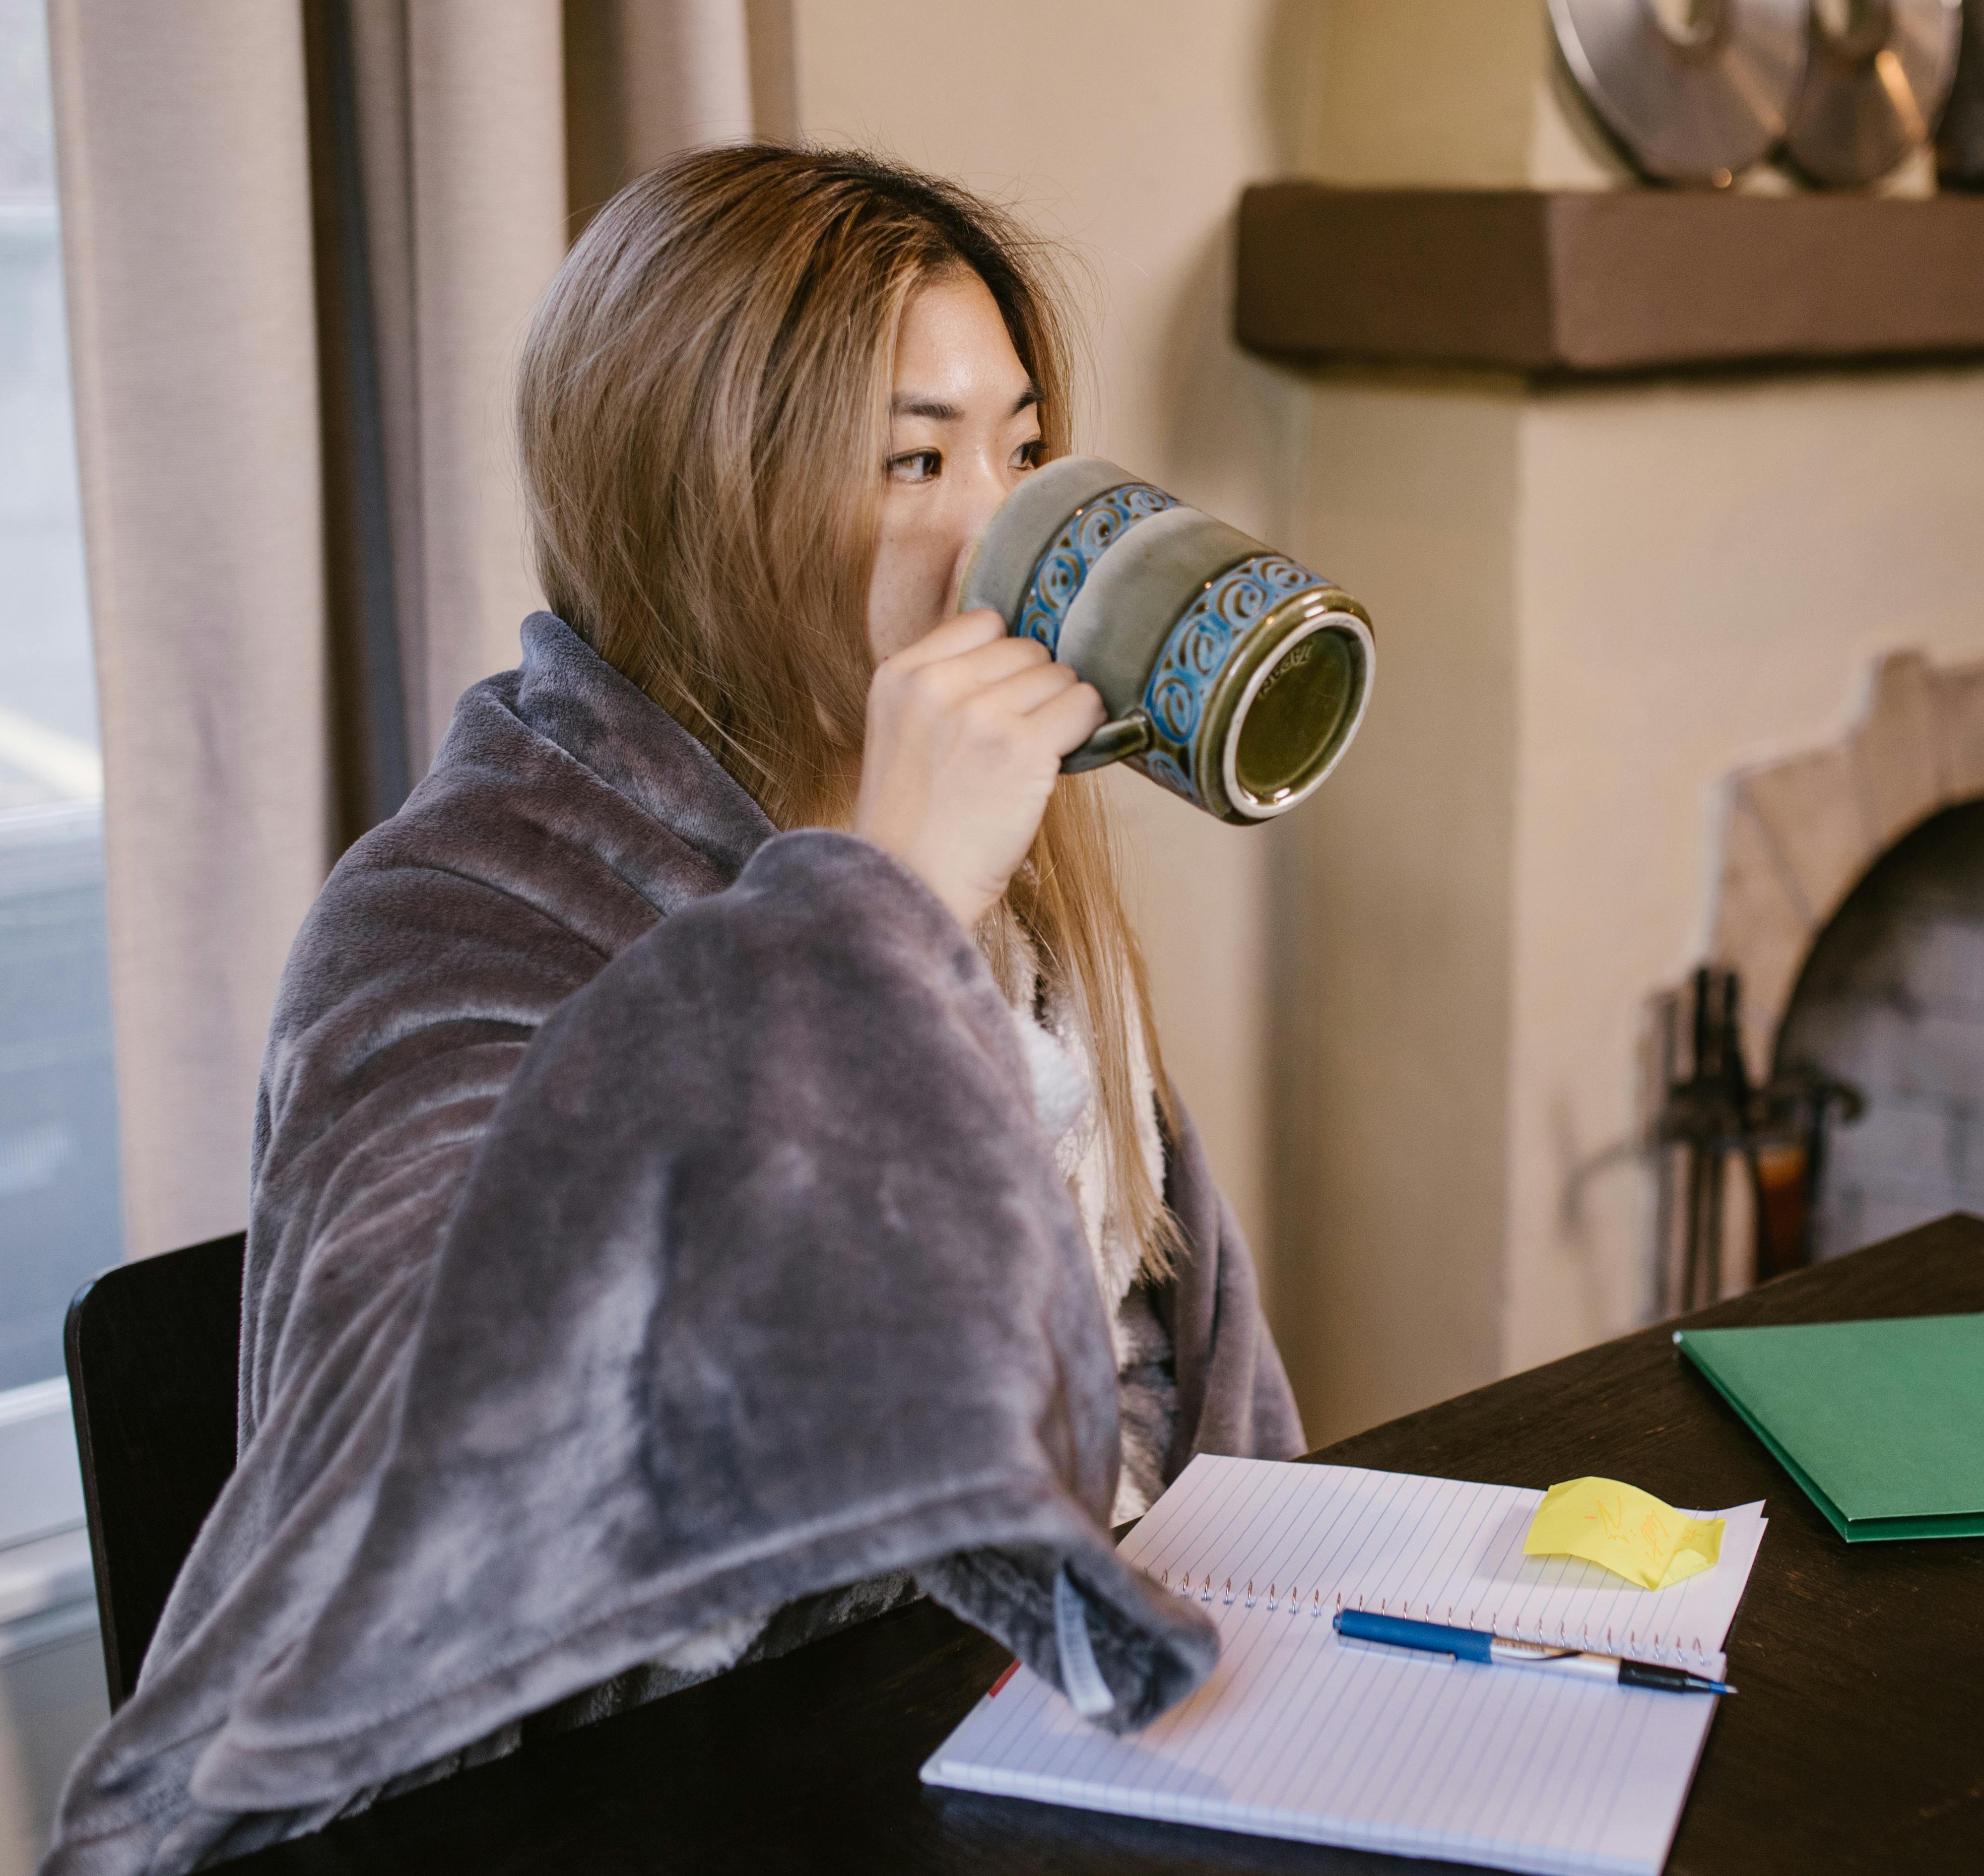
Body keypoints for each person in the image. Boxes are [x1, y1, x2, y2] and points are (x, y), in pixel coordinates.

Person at [45, 145, 1300, 1875]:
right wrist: (886, 904)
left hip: (1059, 1755)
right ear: (699, 506)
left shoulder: (1019, 871)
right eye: (913, 459)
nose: (997, 523)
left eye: (1019, 449)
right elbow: (471, 1475)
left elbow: (1155, 1348)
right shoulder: (451, 915)